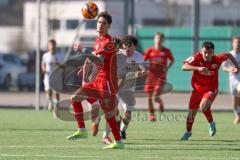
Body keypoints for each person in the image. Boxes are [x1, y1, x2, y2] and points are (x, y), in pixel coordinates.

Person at [66, 11, 124, 149]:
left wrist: (82, 49)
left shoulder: (109, 43)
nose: (101, 25)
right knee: (75, 98)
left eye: (104, 23)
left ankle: (119, 142)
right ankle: (82, 130)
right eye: (99, 22)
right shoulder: (97, 41)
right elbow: (95, 60)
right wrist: (85, 66)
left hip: (107, 82)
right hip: (98, 80)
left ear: (108, 26)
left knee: (108, 112)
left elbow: (98, 58)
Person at [180, 41, 240, 140]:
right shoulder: (196, 58)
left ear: (213, 52)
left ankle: (211, 123)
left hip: (211, 88)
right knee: (191, 114)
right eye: (205, 52)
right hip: (197, 90)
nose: (207, 55)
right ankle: (188, 132)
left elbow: (229, 55)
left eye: (209, 52)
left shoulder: (217, 59)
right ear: (201, 51)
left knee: (203, 106)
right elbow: (183, 67)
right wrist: (198, 68)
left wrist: (237, 68)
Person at [97, 35, 146, 144]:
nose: (127, 51)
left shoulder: (138, 57)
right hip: (116, 87)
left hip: (128, 89)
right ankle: (106, 135)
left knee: (128, 115)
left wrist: (140, 72)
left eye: (130, 48)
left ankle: (122, 130)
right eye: (125, 48)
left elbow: (144, 69)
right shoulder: (117, 54)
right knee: (112, 111)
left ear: (135, 47)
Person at [143, 32, 174, 121]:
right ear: (154, 39)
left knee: (155, 96)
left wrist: (167, 68)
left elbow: (172, 60)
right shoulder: (149, 51)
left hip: (161, 77)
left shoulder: (166, 51)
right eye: (157, 38)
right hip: (150, 76)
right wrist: (145, 67)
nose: (158, 40)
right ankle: (152, 115)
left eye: (160, 38)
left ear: (163, 40)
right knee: (149, 97)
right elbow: (143, 60)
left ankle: (160, 102)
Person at [41, 39, 64, 111]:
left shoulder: (60, 55)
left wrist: (58, 64)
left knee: (56, 92)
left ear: (55, 46)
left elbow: (64, 67)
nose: (52, 46)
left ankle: (56, 107)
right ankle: (50, 102)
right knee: (48, 91)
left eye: (53, 44)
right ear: (48, 46)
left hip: (57, 77)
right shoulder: (45, 55)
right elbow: (43, 64)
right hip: (48, 76)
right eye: (51, 45)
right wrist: (44, 69)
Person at [222, 36, 240, 124]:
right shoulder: (229, 55)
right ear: (233, 44)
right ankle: (238, 115)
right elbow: (223, 67)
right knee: (234, 103)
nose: (237, 44)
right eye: (235, 42)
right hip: (232, 80)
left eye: (238, 42)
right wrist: (230, 69)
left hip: (239, 80)